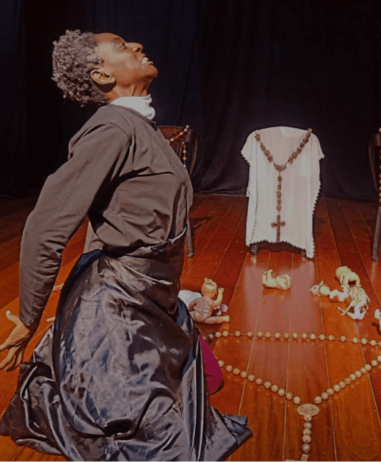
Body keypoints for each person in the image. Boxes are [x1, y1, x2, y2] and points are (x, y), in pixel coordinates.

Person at [0, 30, 251, 460]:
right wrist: (29, 315)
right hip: (121, 303)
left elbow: (110, 210)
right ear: (101, 75)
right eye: (120, 46)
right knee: (149, 435)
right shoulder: (113, 129)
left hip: (150, 292)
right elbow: (46, 224)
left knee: (198, 385)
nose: (136, 46)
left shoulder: (137, 125)